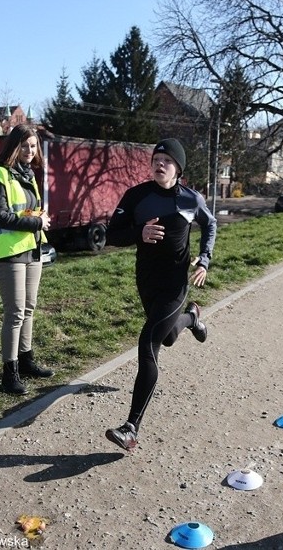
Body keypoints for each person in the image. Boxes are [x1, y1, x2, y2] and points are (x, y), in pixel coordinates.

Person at [104, 138, 217, 451]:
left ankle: (131, 428)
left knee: (149, 343)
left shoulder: (191, 200)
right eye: (156, 158)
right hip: (146, 282)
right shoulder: (137, 196)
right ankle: (192, 317)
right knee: (166, 337)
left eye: (167, 160)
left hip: (174, 284)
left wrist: (204, 259)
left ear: (178, 168)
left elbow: (211, 225)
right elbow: (111, 235)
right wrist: (138, 233)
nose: (160, 164)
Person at [0, 124, 55, 395]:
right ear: (13, 146)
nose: (29, 151)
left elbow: (27, 210)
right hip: (8, 253)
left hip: (31, 249)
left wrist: (40, 218)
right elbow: (0, 216)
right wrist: (36, 221)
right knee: (15, 313)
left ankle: (26, 361)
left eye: (33, 146)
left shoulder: (28, 174)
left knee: (30, 308)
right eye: (24, 145)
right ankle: (9, 374)